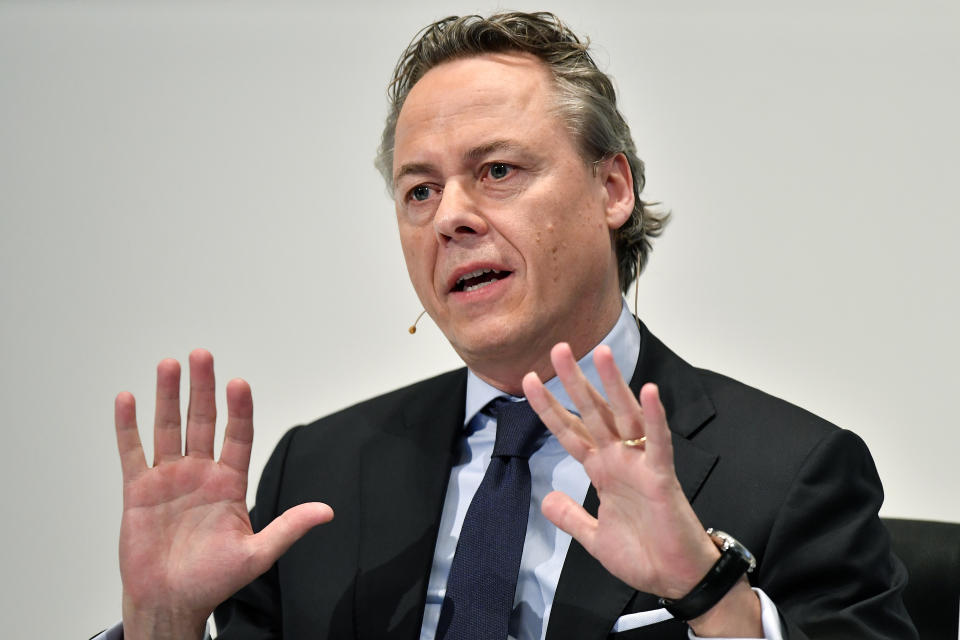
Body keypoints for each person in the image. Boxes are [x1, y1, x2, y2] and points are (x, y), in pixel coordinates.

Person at [105, 12, 916, 640]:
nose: (451, 216)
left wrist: (710, 596)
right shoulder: (317, 472)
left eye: (498, 171)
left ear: (612, 190)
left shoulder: (792, 473)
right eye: (419, 190)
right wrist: (163, 623)